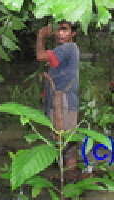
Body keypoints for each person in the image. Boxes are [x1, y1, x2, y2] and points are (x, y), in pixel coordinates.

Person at [36, 21, 80, 171]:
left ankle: (70, 175)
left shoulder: (68, 48)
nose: (60, 33)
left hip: (65, 102)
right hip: (58, 102)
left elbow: (40, 56)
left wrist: (41, 36)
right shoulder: (62, 50)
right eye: (58, 29)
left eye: (64, 30)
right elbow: (55, 73)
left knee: (67, 141)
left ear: (72, 33)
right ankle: (65, 173)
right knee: (60, 140)